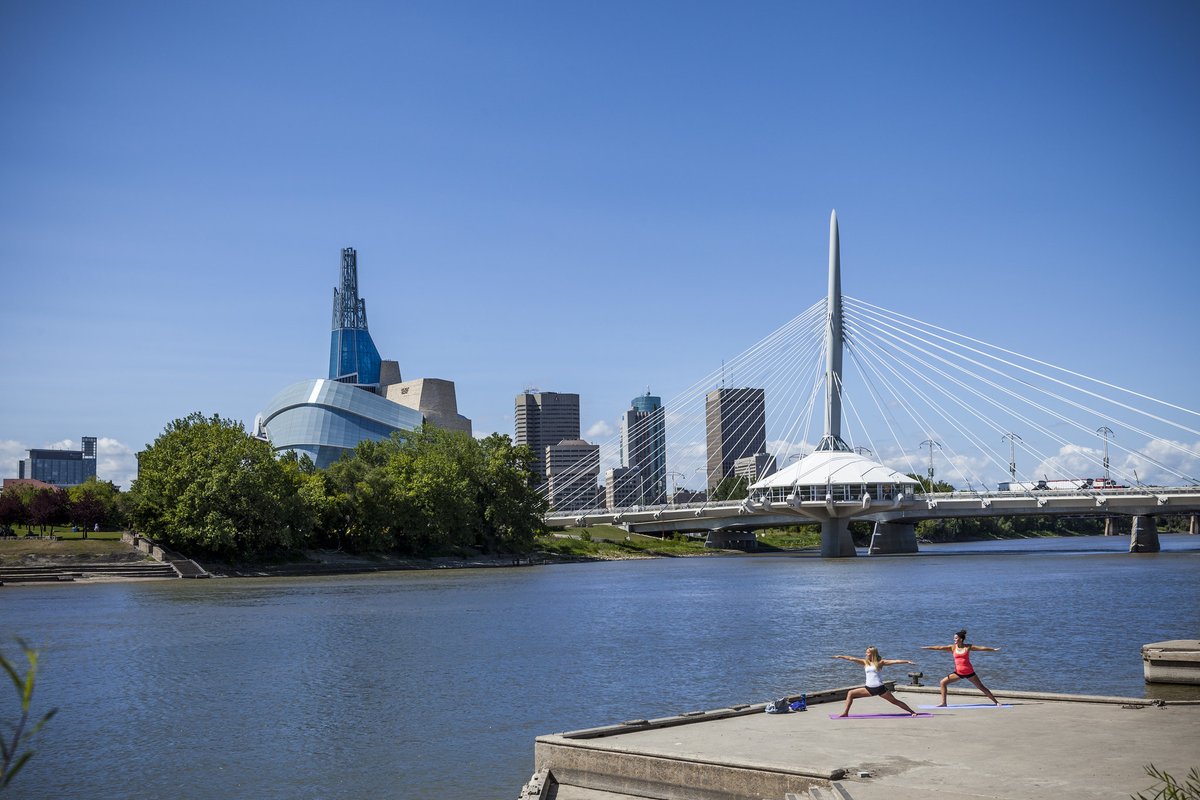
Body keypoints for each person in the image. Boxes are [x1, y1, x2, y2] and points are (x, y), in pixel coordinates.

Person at [831, 647, 919, 717]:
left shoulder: (880, 662)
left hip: (880, 688)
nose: (866, 654)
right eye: (866, 652)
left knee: (895, 701)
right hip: (869, 689)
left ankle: (912, 712)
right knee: (850, 693)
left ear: (873, 653)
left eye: (868, 652)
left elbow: (895, 661)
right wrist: (840, 656)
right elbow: (851, 658)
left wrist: (907, 661)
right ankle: (845, 713)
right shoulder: (865, 662)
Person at [921, 629, 1001, 706]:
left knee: (981, 687)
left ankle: (996, 702)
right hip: (958, 673)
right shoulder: (953, 647)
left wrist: (993, 649)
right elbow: (939, 647)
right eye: (954, 638)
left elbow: (981, 648)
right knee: (943, 682)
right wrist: (928, 647)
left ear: (961, 639)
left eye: (956, 638)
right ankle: (944, 703)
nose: (954, 639)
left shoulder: (968, 647)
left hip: (970, 672)